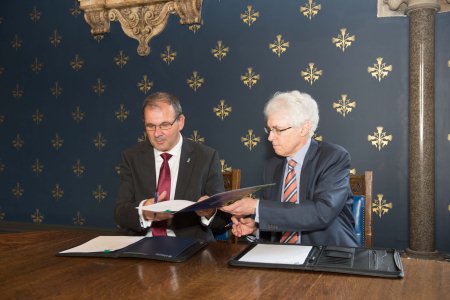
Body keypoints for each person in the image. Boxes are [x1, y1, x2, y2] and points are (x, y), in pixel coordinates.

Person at [221, 90, 358, 247]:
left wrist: (256, 206)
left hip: (329, 255)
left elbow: (321, 213)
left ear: (304, 129)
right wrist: (256, 228)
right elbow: (280, 216)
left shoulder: (333, 157)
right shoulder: (273, 165)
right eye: (269, 129)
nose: (270, 137)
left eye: (278, 130)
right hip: (282, 257)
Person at [115, 92, 228, 241]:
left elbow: (222, 219)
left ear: (180, 122)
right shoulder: (131, 157)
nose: (157, 133)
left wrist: (209, 211)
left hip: (190, 246)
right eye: (150, 126)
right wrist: (144, 212)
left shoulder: (206, 157)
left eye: (164, 125)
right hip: (142, 245)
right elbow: (120, 213)